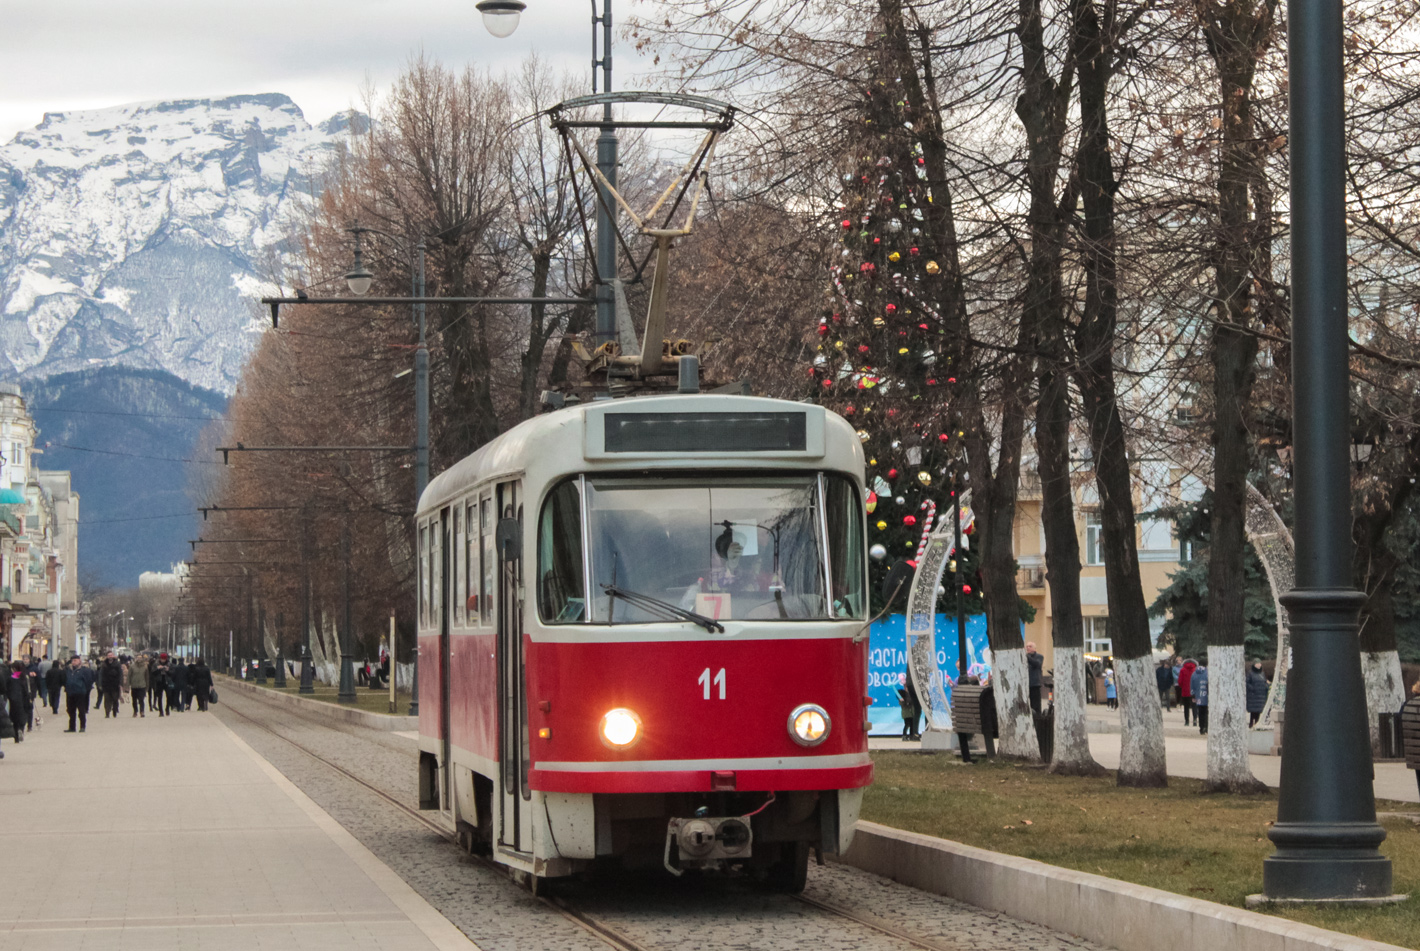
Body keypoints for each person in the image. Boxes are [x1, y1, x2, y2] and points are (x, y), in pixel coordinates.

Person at [64, 655, 95, 733]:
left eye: (75, 660)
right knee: (70, 710)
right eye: (73, 660)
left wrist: (84, 689)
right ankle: (72, 727)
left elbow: (88, 681)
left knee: (81, 710)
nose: (74, 662)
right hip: (70, 692)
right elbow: (64, 679)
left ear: (79, 661)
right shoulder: (68, 670)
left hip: (80, 693)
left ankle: (82, 726)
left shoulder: (84, 670)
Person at [6, 661, 31, 743]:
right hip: (23, 700)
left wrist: (9, 697)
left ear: (13, 669)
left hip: (13, 701)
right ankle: (21, 729)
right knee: (23, 717)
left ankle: (16, 737)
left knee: (14, 719)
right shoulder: (24, 677)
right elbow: (27, 690)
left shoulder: (10, 678)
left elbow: (7, 690)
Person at [98, 652, 123, 718]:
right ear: (107, 656)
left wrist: (120, 683)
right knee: (107, 699)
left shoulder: (117, 664)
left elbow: (120, 674)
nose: (110, 657)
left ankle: (114, 711)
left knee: (115, 699)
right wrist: (100, 684)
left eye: (111, 655)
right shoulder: (104, 664)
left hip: (115, 685)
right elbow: (101, 674)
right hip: (106, 685)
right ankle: (107, 712)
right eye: (108, 655)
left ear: (113, 656)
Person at [1246, 661, 1268, 727]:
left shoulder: (1262, 674)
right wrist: (1252, 688)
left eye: (1259, 664)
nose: (1259, 665)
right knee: (1253, 710)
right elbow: (1247, 682)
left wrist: (1266, 686)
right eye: (1257, 664)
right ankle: (1251, 723)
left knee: (1258, 710)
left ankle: (1257, 722)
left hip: (1261, 695)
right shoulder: (1250, 674)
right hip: (1253, 695)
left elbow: (1265, 681)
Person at [1025, 642, 1045, 714]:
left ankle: (1038, 718)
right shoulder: (1024, 657)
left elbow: (1036, 664)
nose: (1028, 648)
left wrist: (1027, 657)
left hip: (1035, 684)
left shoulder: (1039, 657)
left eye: (1030, 646)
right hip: (1026, 685)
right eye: (1027, 646)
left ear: (1034, 648)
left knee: (1036, 705)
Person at [1178, 658, 1198, 726]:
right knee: (1194, 706)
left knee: (1186, 707)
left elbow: (1180, 681)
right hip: (1194, 692)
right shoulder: (1195, 670)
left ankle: (1187, 721)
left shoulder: (1182, 670)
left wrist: (1182, 687)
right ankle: (1195, 720)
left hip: (1185, 692)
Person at [1193, 662, 1210, 735]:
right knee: (1206, 712)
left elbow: (1192, 685)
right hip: (1206, 695)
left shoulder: (1194, 674)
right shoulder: (1207, 673)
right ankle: (1206, 727)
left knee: (1200, 712)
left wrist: (1193, 695)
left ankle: (1201, 727)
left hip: (1198, 695)